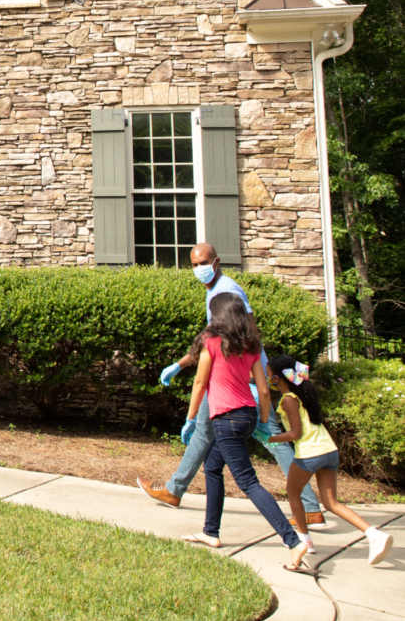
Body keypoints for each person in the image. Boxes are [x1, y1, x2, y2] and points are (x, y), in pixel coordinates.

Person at [136, 243, 323, 527]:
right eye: (195, 264)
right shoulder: (215, 290)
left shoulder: (226, 291)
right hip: (237, 377)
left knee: (268, 438)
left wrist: (250, 377)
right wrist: (180, 364)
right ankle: (175, 490)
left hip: (240, 378)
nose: (199, 268)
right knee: (206, 432)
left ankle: (309, 507)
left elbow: (247, 336)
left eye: (204, 262)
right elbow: (212, 341)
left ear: (217, 260)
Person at [180, 292, 308, 567]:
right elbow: (263, 389)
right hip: (247, 415)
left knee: (248, 482)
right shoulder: (251, 345)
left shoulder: (211, 342)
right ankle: (210, 532)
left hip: (226, 421)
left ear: (218, 315)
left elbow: (200, 383)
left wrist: (190, 419)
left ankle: (293, 541)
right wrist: (262, 421)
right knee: (212, 467)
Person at [263, 355, 395, 566]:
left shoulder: (288, 400)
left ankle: (305, 542)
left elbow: (295, 434)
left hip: (310, 454)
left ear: (279, 379)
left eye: (270, 378)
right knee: (331, 502)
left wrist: (268, 438)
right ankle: (373, 535)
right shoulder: (303, 397)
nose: (269, 381)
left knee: (294, 494)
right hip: (329, 451)